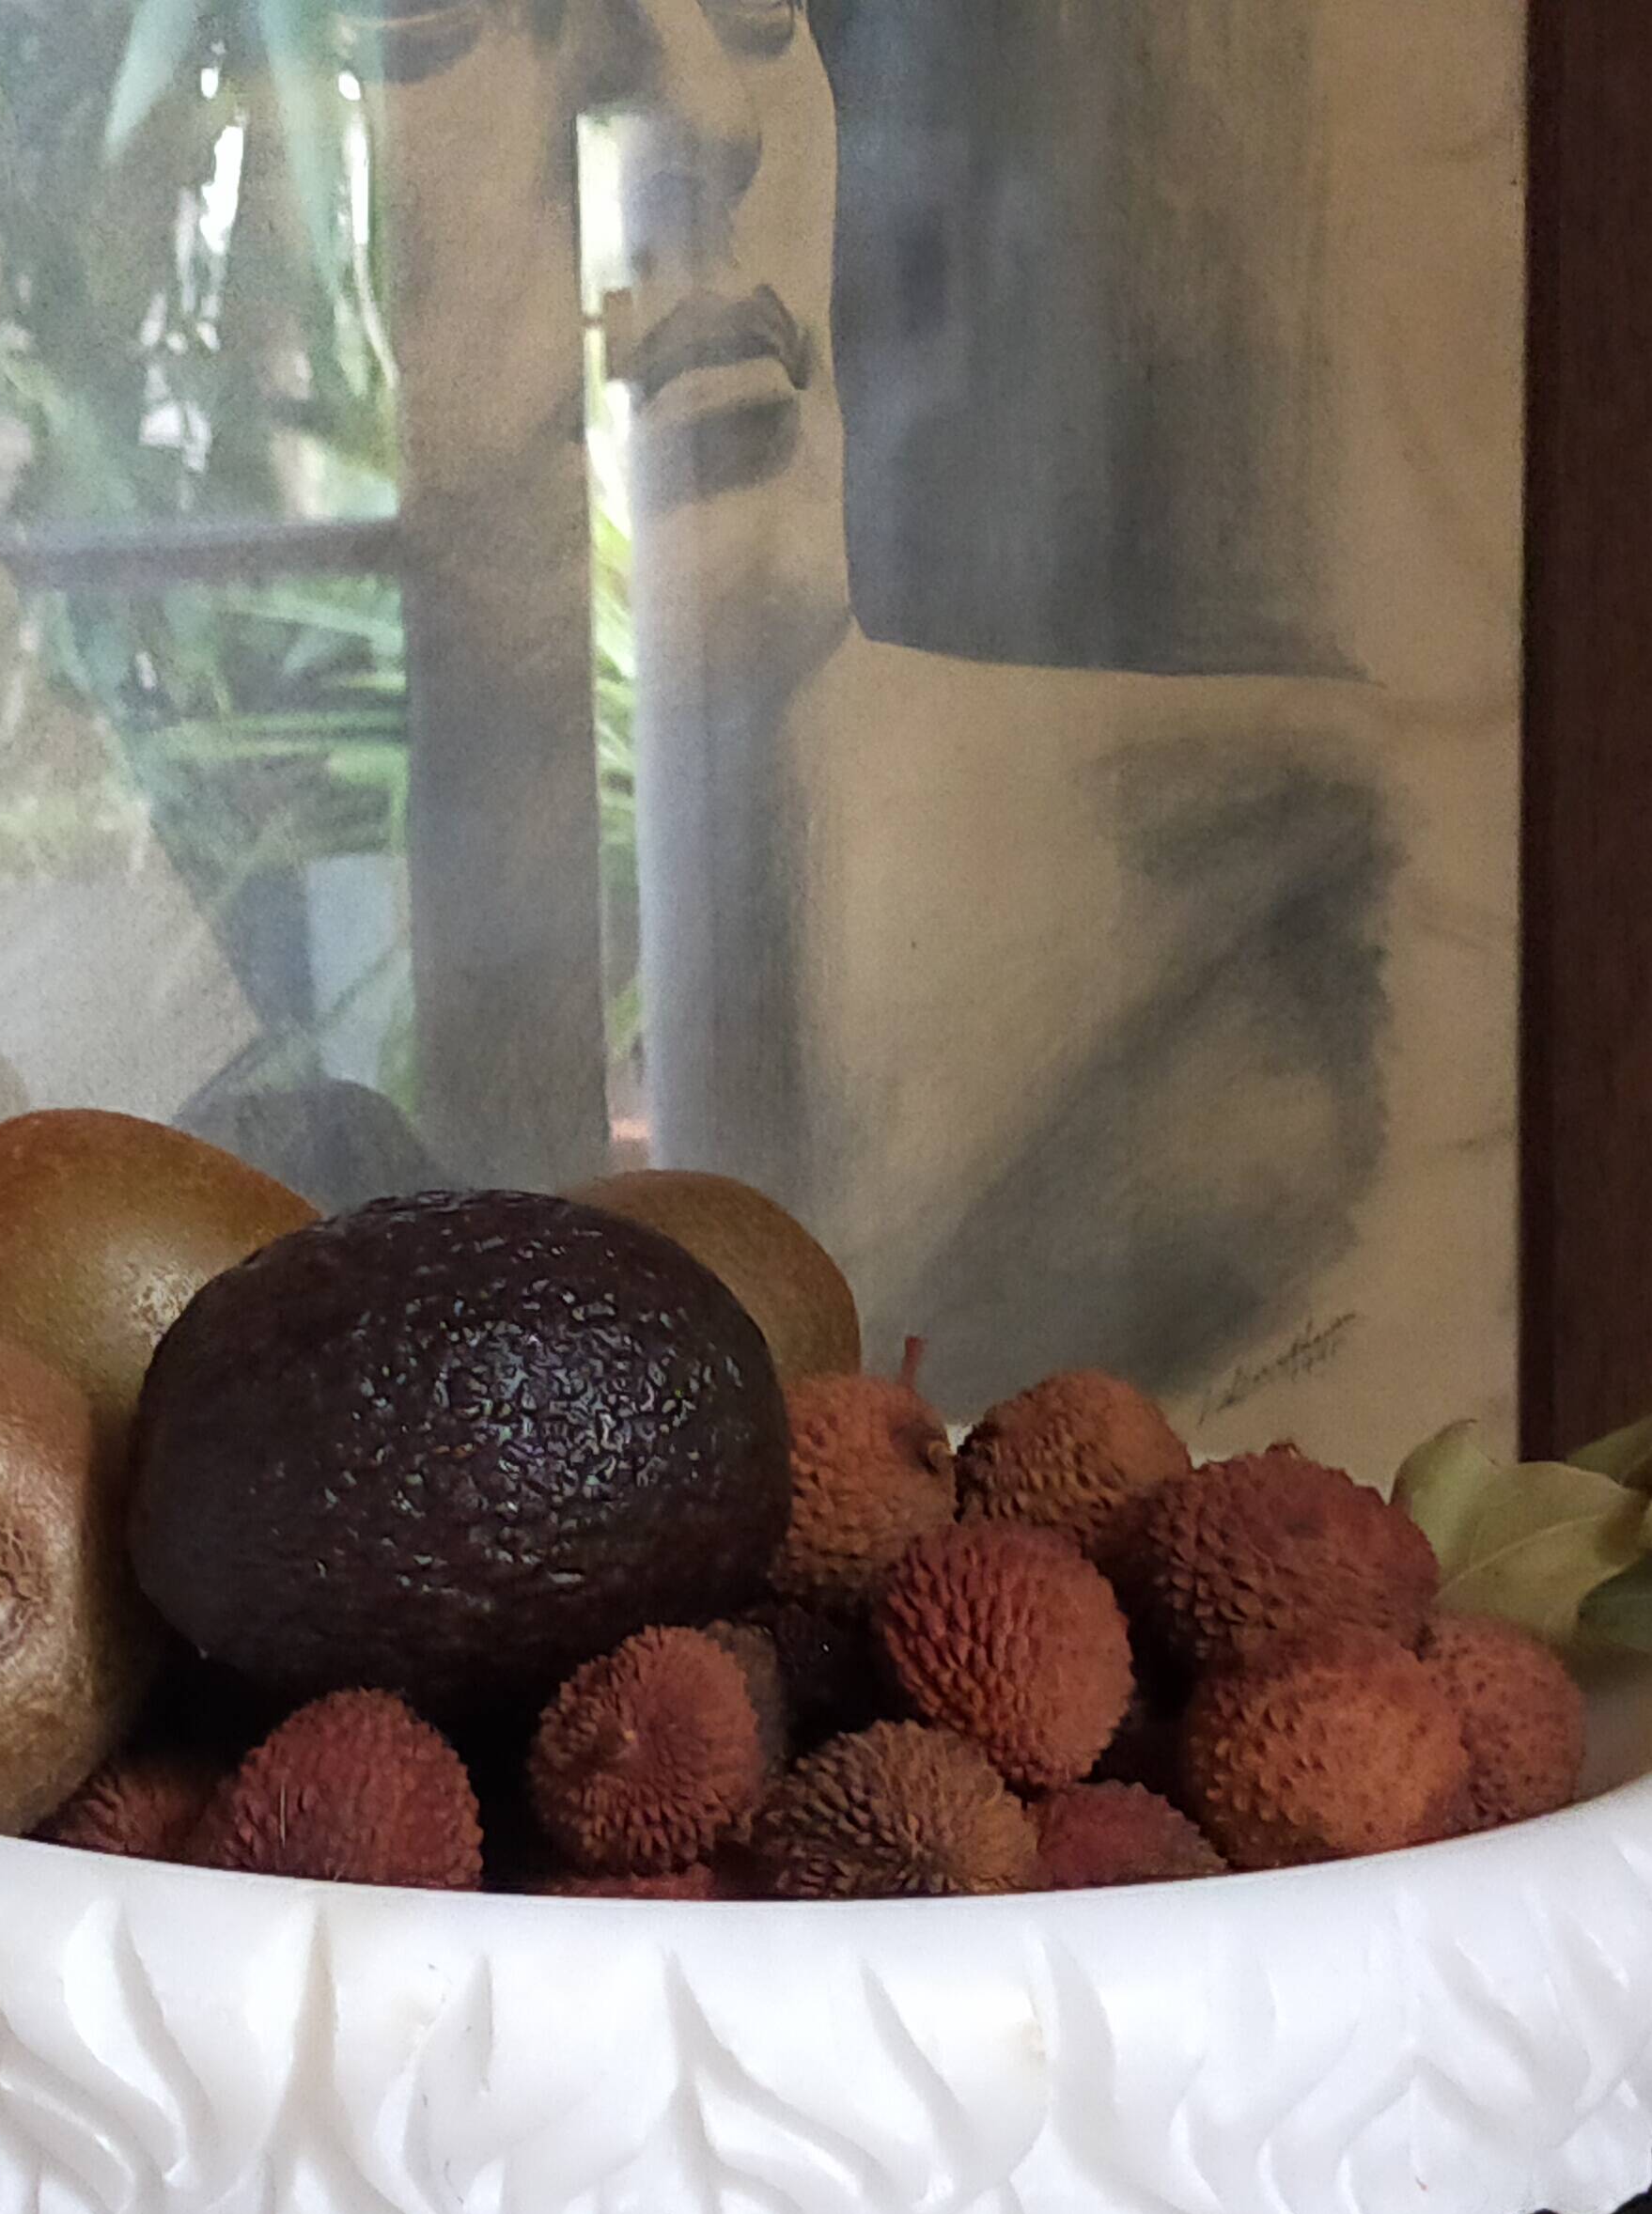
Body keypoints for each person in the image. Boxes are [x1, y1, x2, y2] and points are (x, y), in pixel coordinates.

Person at [382, 0, 1511, 1439]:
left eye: (755, 10)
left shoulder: (1318, 892)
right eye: (454, 22)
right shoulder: (328, 1110)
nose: (708, 120)